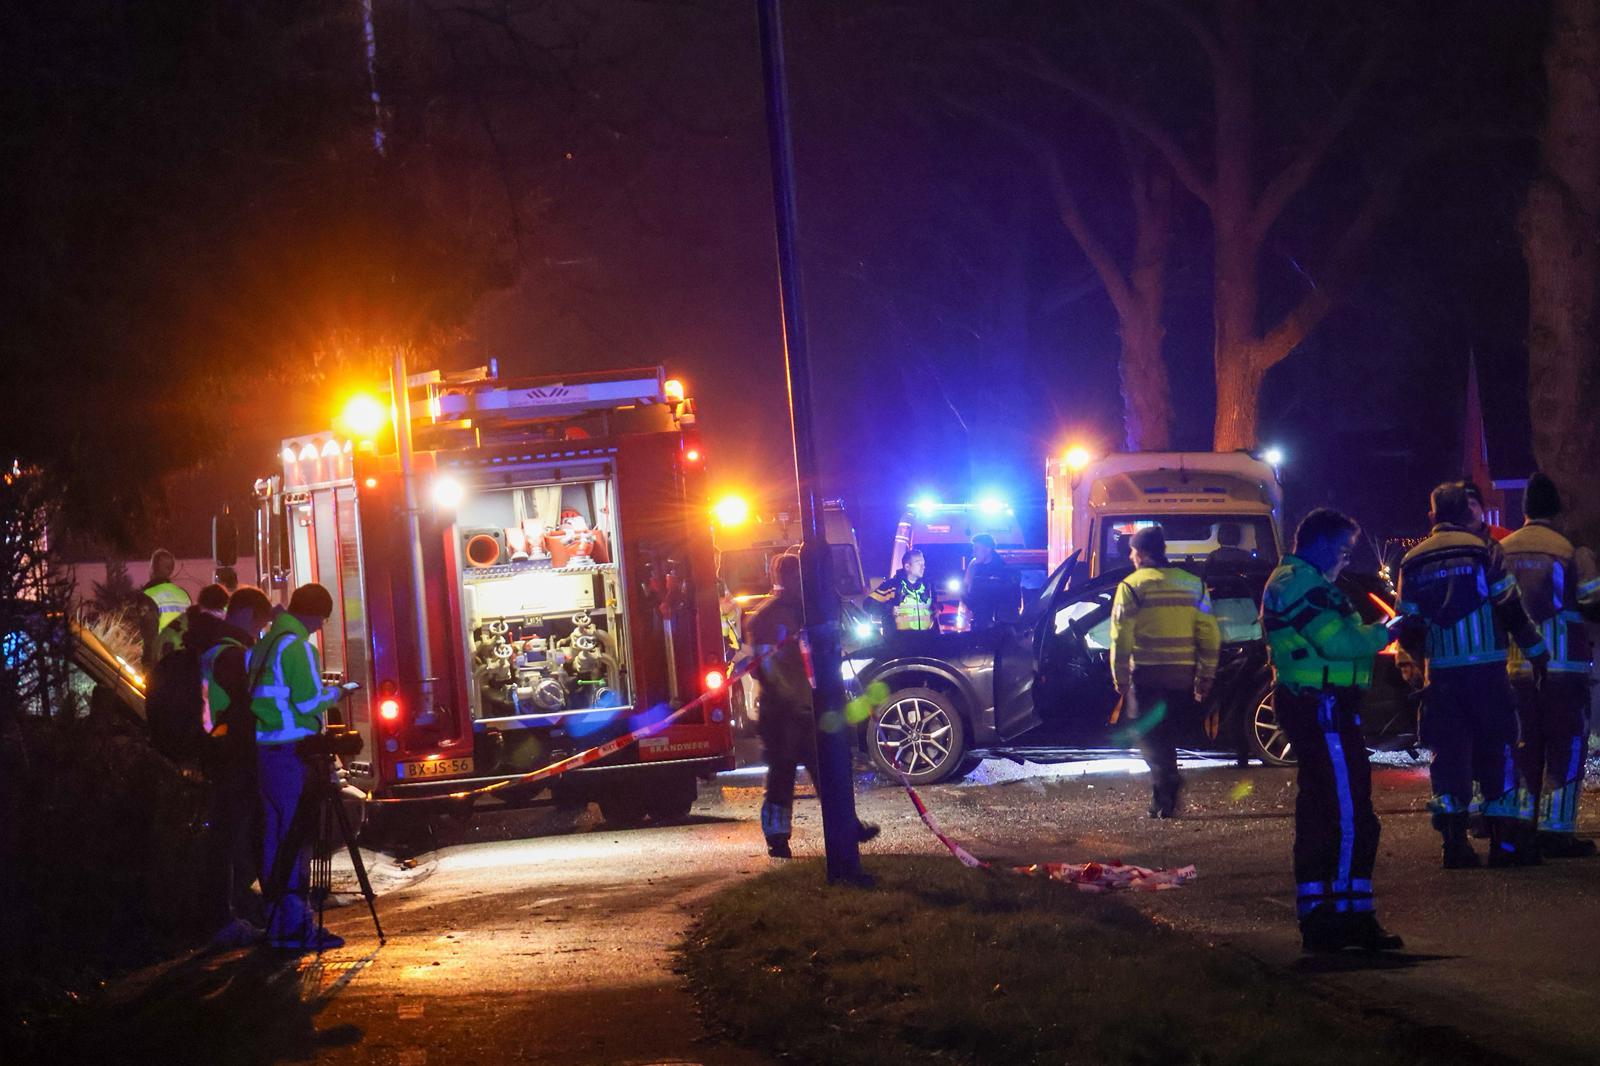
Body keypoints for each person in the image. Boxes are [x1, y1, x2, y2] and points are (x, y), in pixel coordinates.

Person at [1262, 509, 1404, 952]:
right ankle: (1341, 918)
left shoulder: (1297, 581)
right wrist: (1386, 633)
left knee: (1332, 813)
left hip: (1322, 707)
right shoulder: (1300, 583)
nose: (1345, 560)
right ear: (1322, 544)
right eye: (1343, 551)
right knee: (1346, 815)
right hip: (1322, 708)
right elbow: (1337, 642)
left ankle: (1338, 914)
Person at [1397, 482, 1550, 868]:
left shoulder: (1412, 560)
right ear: (1467, 513)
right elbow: (1510, 606)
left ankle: (1455, 846)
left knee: (1448, 757)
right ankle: (1503, 845)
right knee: (1497, 752)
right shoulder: (1486, 552)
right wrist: (1536, 652)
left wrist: (1421, 666)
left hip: (1443, 677)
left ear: (1433, 515)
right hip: (1487, 672)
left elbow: (1409, 625)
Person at [748, 553, 877, 858]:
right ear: (786, 578)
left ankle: (847, 827)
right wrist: (793, 699)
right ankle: (777, 839)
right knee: (781, 776)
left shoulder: (804, 612)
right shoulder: (768, 616)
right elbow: (767, 668)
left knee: (827, 771)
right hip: (782, 714)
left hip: (808, 707)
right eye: (799, 577)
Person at [1501, 473, 1600, 858]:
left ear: (1525, 510)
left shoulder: (1501, 551)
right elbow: (1592, 603)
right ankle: (1556, 832)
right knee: (1566, 748)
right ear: (1559, 512)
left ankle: (1521, 827)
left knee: (1523, 749)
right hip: (1564, 669)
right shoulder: (1573, 552)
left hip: (1515, 670)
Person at [251, 583, 346, 952]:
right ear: (311, 614)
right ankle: (298, 928)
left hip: (264, 753)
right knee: (297, 841)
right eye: (321, 619)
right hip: (292, 755)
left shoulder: (264, 645)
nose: (320, 627)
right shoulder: (297, 647)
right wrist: (338, 693)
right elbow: (308, 703)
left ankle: (277, 925)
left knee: (275, 840)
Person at [1111, 525, 1221, 818]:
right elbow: (1209, 634)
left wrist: (1119, 676)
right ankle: (1163, 798)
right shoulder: (1193, 584)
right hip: (1182, 676)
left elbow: (1121, 637)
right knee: (1166, 734)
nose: (1132, 557)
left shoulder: (1132, 586)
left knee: (1145, 734)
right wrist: (1206, 676)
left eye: (1133, 552)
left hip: (1146, 675)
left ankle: (1166, 782)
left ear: (1143, 554)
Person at [191, 585, 275, 947]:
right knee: (232, 841)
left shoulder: (212, 649)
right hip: (234, 757)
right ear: (247, 615)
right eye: (259, 625)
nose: (258, 632)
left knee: (225, 840)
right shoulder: (232, 654)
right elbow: (249, 706)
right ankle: (225, 918)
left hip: (217, 754)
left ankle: (228, 913)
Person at [139, 548, 192, 669]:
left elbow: (149, 634)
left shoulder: (148, 595)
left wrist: (148, 662)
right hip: (184, 659)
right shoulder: (184, 595)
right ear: (171, 570)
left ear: (152, 568)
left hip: (161, 660)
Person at [868, 548, 937, 632]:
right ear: (907, 566)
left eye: (923, 563)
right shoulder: (892, 586)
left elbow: (934, 610)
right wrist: (889, 609)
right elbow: (868, 605)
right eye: (919, 563)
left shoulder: (928, 587)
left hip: (925, 641)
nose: (923, 567)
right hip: (900, 642)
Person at [961, 534, 1018, 630]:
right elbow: (966, 587)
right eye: (973, 549)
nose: (973, 553)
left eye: (977, 549)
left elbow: (1007, 599)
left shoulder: (1002, 570)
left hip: (997, 624)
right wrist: (968, 606)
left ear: (988, 549)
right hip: (978, 621)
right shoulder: (974, 565)